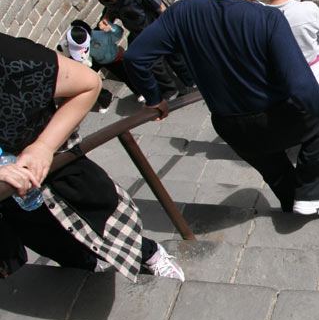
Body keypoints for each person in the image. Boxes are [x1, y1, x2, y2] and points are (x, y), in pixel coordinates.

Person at [124, 0, 319, 216]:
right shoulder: (266, 18)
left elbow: (135, 57)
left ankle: (294, 203)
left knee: (274, 168)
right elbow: (301, 88)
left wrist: (155, 98)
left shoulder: (183, 11)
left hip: (228, 126)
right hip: (273, 119)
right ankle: (311, 194)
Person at [0, 32, 183, 281]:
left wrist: (43, 146)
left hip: (61, 174)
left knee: (111, 229)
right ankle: (91, 273)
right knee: (59, 247)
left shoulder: (10, 56)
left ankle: (150, 254)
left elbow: (88, 83)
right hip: (15, 204)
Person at [84, 0, 193, 100]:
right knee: (149, 62)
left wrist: (172, 30)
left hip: (158, 27)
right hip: (139, 34)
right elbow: (111, 9)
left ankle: (192, 85)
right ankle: (173, 91)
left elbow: (160, 7)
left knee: (175, 59)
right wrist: (106, 19)